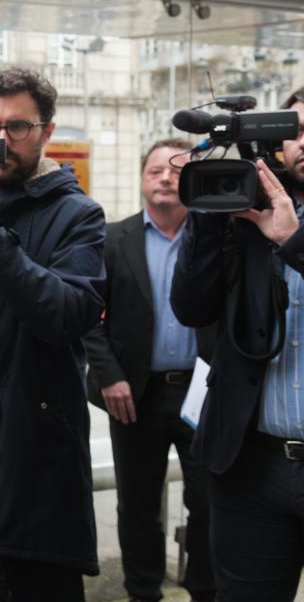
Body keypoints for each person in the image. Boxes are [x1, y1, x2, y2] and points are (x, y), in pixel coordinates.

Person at [0, 67, 106, 601]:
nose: (1, 140)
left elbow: (68, 314)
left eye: (16, 127)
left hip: (36, 466)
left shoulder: (79, 216)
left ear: (47, 131)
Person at [170, 87, 304, 601]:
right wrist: (208, 219)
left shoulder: (280, 225)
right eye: (296, 130)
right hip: (250, 466)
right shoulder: (249, 211)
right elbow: (192, 309)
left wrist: (292, 241)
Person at [84, 138, 216, 602]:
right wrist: (108, 375)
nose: (165, 178)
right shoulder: (112, 238)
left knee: (208, 502)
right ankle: (143, 592)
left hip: (203, 394)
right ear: (142, 179)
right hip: (135, 393)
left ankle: (204, 589)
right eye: (156, 170)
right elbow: (89, 315)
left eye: (177, 171)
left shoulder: (215, 237)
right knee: (138, 505)